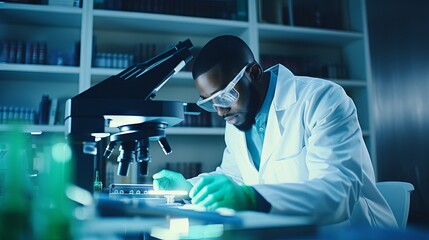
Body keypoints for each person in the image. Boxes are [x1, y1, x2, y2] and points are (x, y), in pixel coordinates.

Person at [153, 35, 397, 227]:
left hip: (353, 232)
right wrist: (189, 187)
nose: (220, 111)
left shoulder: (322, 100)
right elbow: (233, 177)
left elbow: (337, 193)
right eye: (210, 102)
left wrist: (252, 198)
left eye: (226, 95)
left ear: (254, 73)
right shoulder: (237, 121)